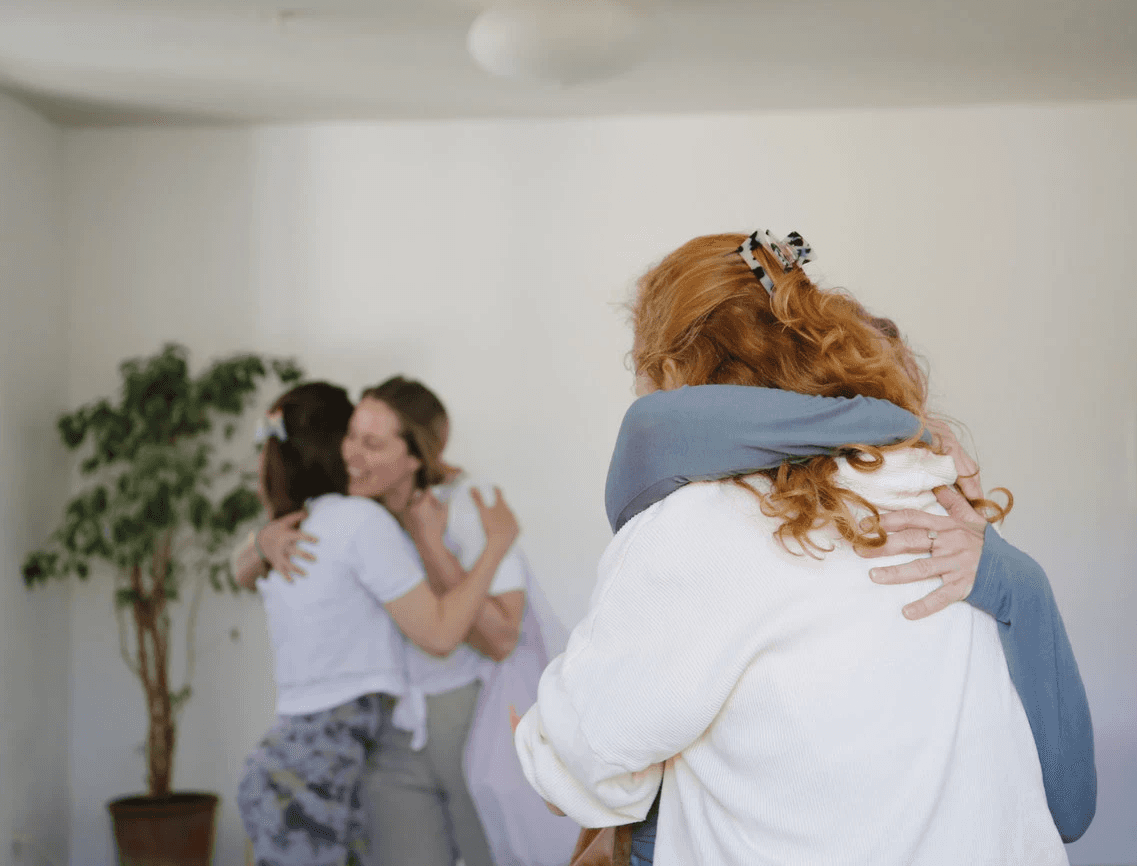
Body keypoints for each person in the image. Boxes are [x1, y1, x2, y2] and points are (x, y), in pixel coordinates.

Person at [513, 230, 1083, 865]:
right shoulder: (926, 489)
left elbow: (582, 764)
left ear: (673, 374)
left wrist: (542, 747)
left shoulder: (709, 522)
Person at [239, 378, 580, 866]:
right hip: (392, 737)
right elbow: (244, 572)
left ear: (415, 456)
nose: (351, 453)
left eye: (372, 443)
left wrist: (443, 543)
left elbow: (501, 637)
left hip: (464, 724)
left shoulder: (468, 503)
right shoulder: (356, 513)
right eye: (351, 435)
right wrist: (258, 544)